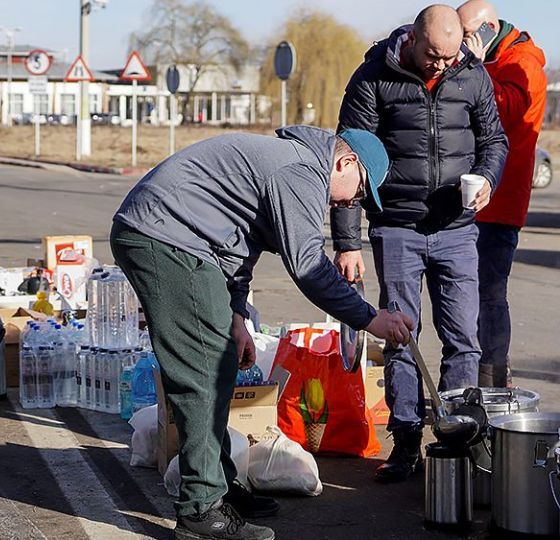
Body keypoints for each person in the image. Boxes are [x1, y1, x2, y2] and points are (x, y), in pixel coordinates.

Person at [112, 125, 414, 540]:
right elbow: (308, 264)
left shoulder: (290, 164)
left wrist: (236, 314)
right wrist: (369, 318)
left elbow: (239, 244)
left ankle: (218, 487)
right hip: (165, 237)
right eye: (358, 191)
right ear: (345, 163)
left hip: (183, 240)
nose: (349, 202)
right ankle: (201, 511)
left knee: (218, 365)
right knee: (202, 372)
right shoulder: (300, 170)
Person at [334, 4, 508, 483]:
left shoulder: (470, 75)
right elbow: (345, 159)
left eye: (450, 57)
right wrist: (347, 242)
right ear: (411, 38)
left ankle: (457, 441)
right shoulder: (372, 77)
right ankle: (406, 441)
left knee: (463, 341)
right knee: (400, 336)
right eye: (433, 55)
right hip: (396, 226)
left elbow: (495, 140)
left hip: (456, 229)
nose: (442, 65)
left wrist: (489, 178)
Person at [457, 0, 548, 387]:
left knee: (490, 294)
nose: (459, 44)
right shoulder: (496, 59)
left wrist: (473, 70)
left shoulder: (523, 63)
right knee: (467, 292)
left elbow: (503, 110)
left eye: (465, 35)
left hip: (500, 201)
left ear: (487, 30)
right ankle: (474, 376)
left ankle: (493, 380)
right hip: (476, 198)